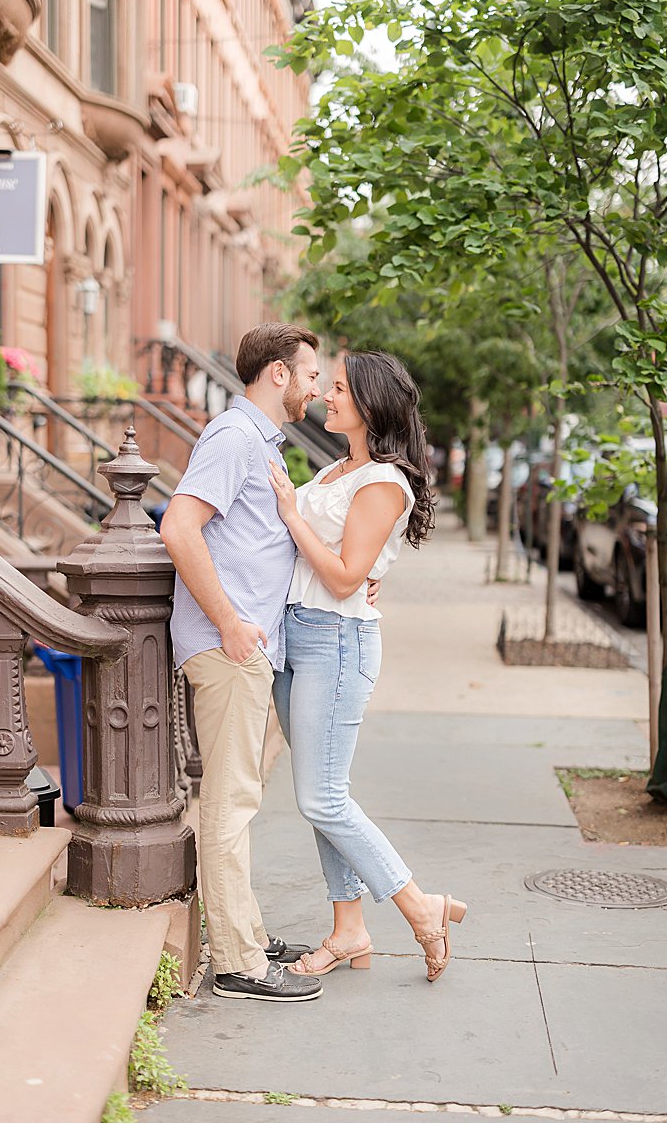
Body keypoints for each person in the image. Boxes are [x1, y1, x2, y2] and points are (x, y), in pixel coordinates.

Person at [266, 349, 466, 981]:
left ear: (373, 405)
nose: (328, 392)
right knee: (325, 794)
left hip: (337, 642)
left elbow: (349, 578)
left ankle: (419, 906)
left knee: (320, 797)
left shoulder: (382, 481)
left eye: (343, 388)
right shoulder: (339, 470)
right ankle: (349, 930)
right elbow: (342, 565)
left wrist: (294, 518)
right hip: (298, 636)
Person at [160, 322, 326, 1002]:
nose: (316, 386)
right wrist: (229, 622)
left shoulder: (258, 442)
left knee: (239, 799)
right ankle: (236, 962)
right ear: (278, 374)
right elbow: (178, 525)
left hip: (253, 654)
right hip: (230, 652)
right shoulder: (233, 437)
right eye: (311, 373)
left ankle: (247, 932)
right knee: (228, 803)